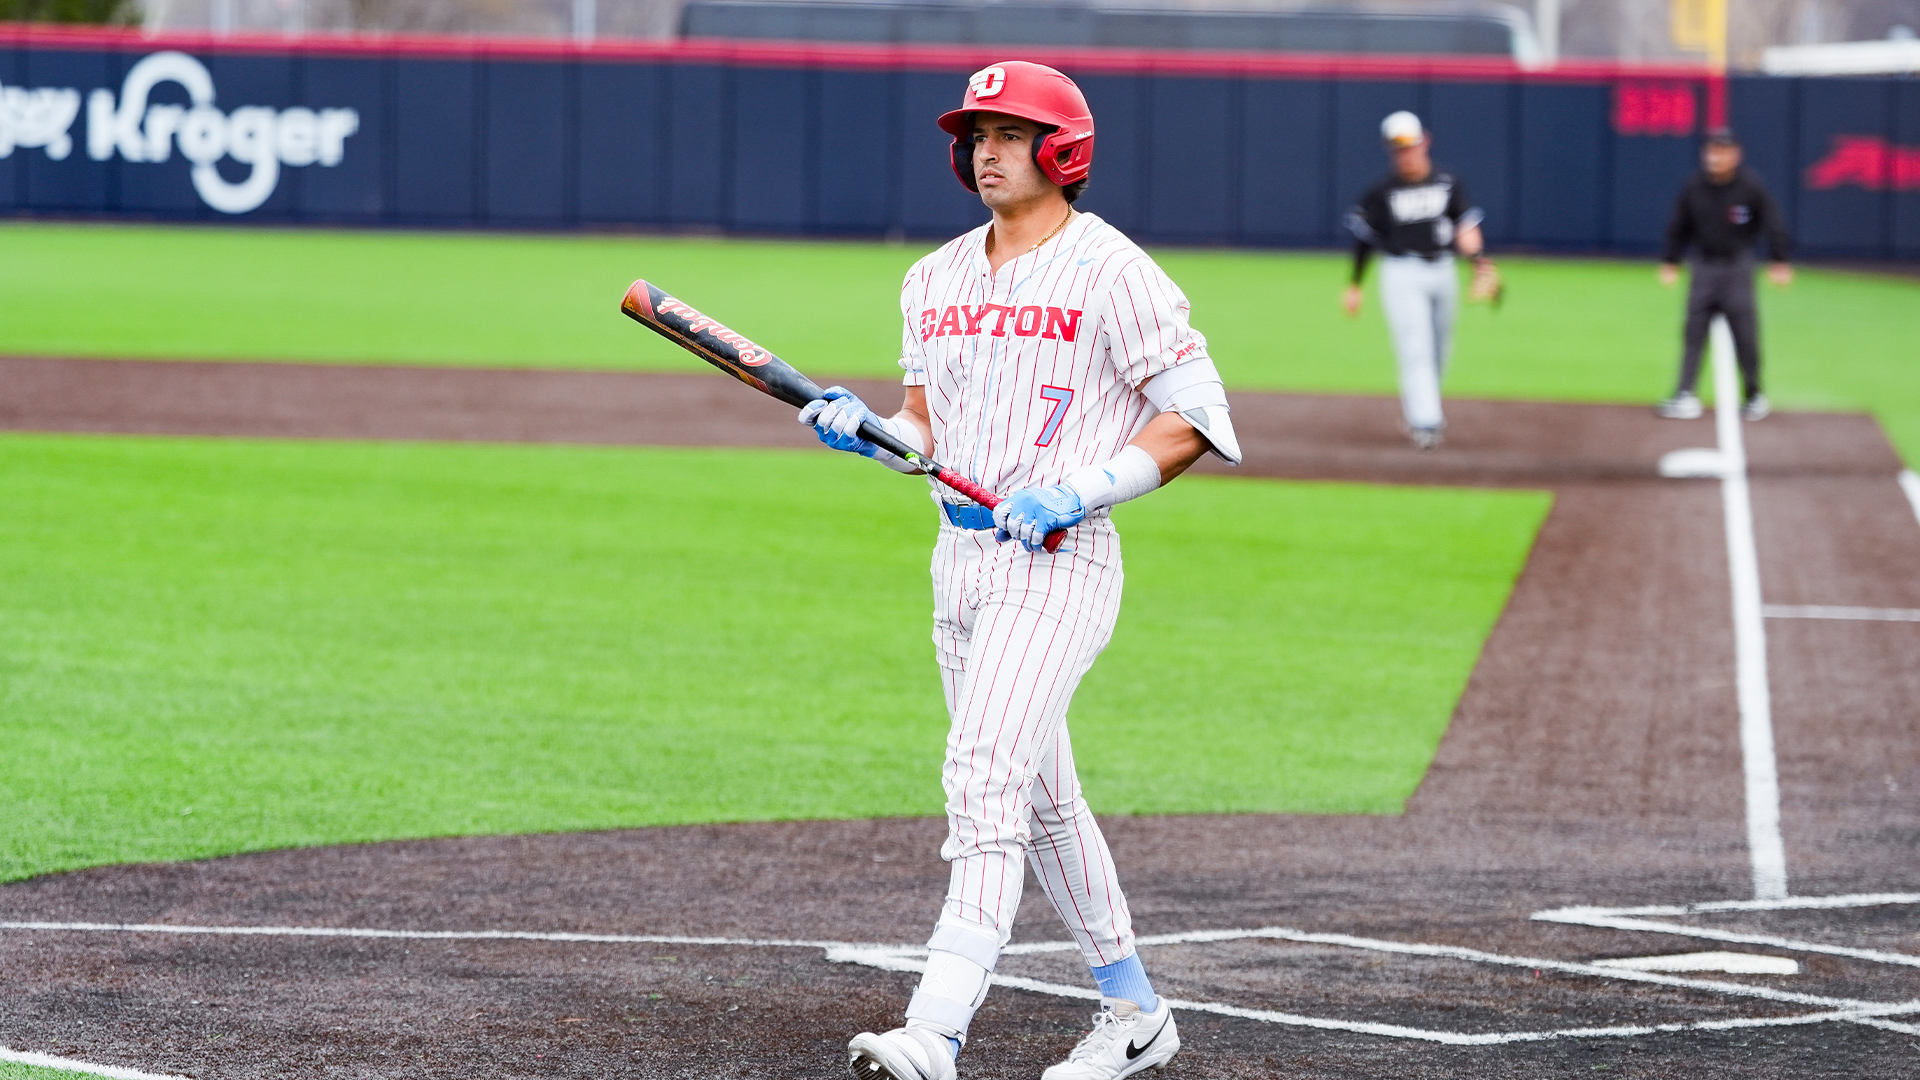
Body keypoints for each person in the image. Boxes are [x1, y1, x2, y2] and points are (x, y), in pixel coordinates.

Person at [794, 60, 1241, 1080]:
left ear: (1062, 151)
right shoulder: (934, 277)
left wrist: (1080, 490)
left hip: (1058, 560)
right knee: (1040, 801)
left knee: (982, 779)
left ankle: (936, 1027)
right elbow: (926, 425)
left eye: (1009, 132)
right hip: (957, 562)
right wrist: (870, 430)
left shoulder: (1115, 272)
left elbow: (1197, 422)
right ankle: (1134, 1013)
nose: (987, 150)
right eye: (975, 134)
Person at [1342, 110, 1495, 451]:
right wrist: (1355, 285)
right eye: (1398, 149)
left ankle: (1420, 412)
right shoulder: (1382, 192)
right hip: (1401, 271)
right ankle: (1427, 421)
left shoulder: (1447, 182)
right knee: (1417, 346)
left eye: (1409, 146)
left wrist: (1479, 264)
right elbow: (1365, 240)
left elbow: (1465, 226)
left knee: (1440, 349)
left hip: (1443, 268)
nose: (1405, 154)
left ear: (1424, 141)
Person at [1655, 127, 1794, 421]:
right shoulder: (1694, 187)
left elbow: (1773, 222)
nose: (1716, 157)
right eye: (1713, 150)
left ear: (1735, 155)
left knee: (1745, 335)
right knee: (1693, 333)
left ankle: (1754, 395)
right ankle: (1685, 394)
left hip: (1737, 268)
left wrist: (1779, 260)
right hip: (1704, 267)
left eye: (1723, 151)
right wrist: (1671, 261)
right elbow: (1678, 226)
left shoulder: (1750, 187)